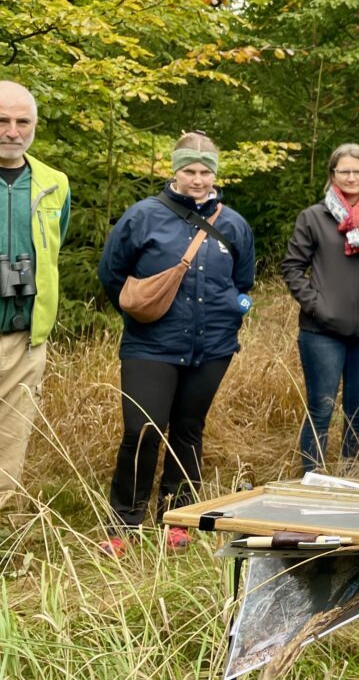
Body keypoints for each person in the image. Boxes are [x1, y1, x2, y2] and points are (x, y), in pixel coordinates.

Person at [98, 131, 255, 555]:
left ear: (216, 175)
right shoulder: (142, 217)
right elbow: (113, 275)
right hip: (151, 345)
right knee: (143, 430)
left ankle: (178, 517)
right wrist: (144, 314)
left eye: (206, 172)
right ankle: (124, 524)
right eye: (190, 170)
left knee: (187, 430)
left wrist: (232, 312)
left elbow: (243, 281)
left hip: (213, 349)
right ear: (175, 170)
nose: (198, 179)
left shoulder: (234, 224)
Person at [281, 144, 359, 473]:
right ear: (332, 175)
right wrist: (316, 305)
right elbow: (292, 268)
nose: (351, 177)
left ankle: (353, 479)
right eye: (344, 171)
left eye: (358, 171)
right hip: (321, 333)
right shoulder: (314, 218)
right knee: (321, 410)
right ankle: (312, 481)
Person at [0, 81, 70, 511]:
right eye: (2, 120)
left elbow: (54, 246)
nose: (12, 130)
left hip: (25, 337)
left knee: (11, 439)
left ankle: (3, 536)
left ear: (34, 126)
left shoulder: (53, 183)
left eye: (22, 121)